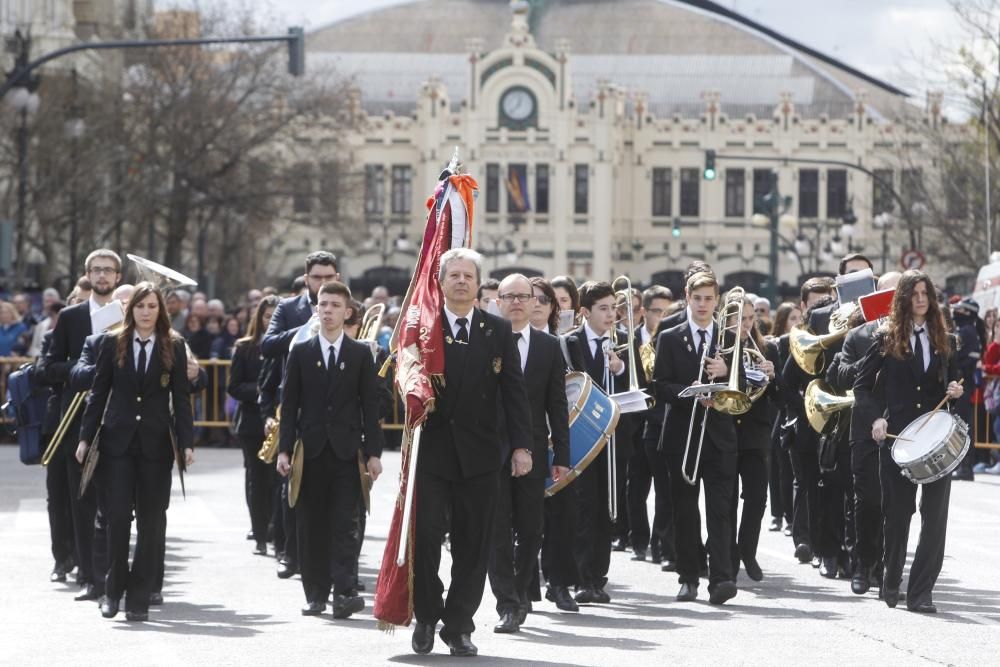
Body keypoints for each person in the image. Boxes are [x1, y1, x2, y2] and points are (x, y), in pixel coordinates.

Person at [410, 248, 530, 658]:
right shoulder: (423, 327)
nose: (461, 281)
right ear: (441, 282)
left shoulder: (497, 329)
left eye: (468, 276)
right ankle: (426, 614)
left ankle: (459, 625)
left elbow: (514, 392)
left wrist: (521, 446)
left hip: (481, 455)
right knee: (425, 538)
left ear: (479, 284)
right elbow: (403, 379)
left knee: (473, 544)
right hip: (433, 452)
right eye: (453, 275)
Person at [75, 282, 194, 621]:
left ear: (160, 311)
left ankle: (139, 598)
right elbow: (98, 393)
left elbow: (182, 399)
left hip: (156, 446)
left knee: (151, 522)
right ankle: (113, 592)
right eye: (140, 306)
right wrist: (85, 437)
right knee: (115, 519)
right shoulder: (113, 343)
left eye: (152, 306)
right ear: (131, 310)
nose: (145, 312)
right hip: (117, 444)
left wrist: (186, 443)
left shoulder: (174, 345)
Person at [855, 270, 963, 613]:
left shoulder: (946, 339)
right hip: (898, 439)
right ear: (903, 298)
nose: (920, 299)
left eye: (925, 293)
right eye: (914, 293)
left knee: (935, 518)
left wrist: (956, 392)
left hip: (935, 440)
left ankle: (921, 592)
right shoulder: (885, 337)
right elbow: (861, 386)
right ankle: (890, 579)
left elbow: (957, 383)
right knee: (898, 515)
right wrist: (876, 417)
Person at [275, 281, 383, 618]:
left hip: (347, 452)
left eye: (335, 305)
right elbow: (289, 404)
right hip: (311, 452)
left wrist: (374, 453)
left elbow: (370, 407)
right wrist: (283, 450)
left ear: (348, 311)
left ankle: (344, 591)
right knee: (311, 525)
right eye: (323, 304)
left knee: (344, 525)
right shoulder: (301, 352)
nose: (328, 310)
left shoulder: (360, 353)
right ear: (315, 309)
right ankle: (316, 594)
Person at [488, 274, 570, 633]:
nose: (520, 302)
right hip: (490, 450)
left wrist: (562, 457)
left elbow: (557, 404)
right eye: (511, 296)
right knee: (496, 529)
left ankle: (521, 591)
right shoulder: (485, 339)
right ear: (498, 301)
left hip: (534, 450)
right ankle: (507, 602)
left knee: (531, 527)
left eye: (527, 296)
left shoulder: (548, 347)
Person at [39, 249, 122, 600]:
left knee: (117, 503)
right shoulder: (71, 317)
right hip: (77, 421)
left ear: (118, 277)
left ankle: (115, 572)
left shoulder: (128, 313)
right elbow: (47, 368)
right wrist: (83, 368)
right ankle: (89, 575)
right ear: (87, 274)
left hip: (118, 421)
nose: (102, 276)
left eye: (109, 270)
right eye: (96, 270)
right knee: (81, 500)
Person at [653, 270, 739, 605]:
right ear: (687, 297)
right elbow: (660, 385)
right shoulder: (670, 336)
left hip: (719, 436)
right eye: (697, 298)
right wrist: (693, 393)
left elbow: (744, 383)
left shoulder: (729, 337)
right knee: (686, 511)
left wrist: (724, 373)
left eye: (709, 299)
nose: (703, 305)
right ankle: (688, 577)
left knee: (720, 510)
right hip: (682, 435)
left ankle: (722, 578)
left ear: (717, 300)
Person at [261, 250, 340, 579]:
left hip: (335, 408)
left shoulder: (344, 305)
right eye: (317, 278)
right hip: (297, 405)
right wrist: (306, 330)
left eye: (329, 277)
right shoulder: (289, 308)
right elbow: (267, 344)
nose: (323, 283)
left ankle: (334, 560)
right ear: (307, 279)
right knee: (291, 484)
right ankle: (289, 553)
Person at [827, 270, 901, 595]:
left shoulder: (915, 335)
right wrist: (870, 361)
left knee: (894, 503)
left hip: (902, 427)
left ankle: (887, 570)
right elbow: (841, 376)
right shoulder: (858, 336)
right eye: (888, 294)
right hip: (865, 428)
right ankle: (863, 562)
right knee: (868, 499)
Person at [561, 281, 629, 605]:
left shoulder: (623, 344)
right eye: (603, 308)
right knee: (580, 506)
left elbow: (639, 388)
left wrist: (620, 368)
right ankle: (579, 578)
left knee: (606, 507)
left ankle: (598, 578)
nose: (611, 314)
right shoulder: (567, 343)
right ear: (585, 312)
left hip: (611, 439)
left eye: (614, 307)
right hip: (579, 437)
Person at [530, 277, 581, 612]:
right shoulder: (505, 342)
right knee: (526, 520)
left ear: (553, 309)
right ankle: (524, 588)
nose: (536, 304)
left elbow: (573, 394)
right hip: (525, 442)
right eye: (530, 298)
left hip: (557, 439)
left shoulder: (563, 345)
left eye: (544, 300)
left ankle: (559, 584)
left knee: (561, 518)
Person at [730, 296, 779, 581]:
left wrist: (773, 377)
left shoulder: (766, 348)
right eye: (739, 320)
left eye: (750, 319)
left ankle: (747, 550)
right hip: (725, 433)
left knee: (757, 496)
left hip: (755, 434)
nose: (745, 325)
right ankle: (726, 553)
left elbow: (779, 397)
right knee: (726, 501)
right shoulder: (718, 347)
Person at [627, 285, 676, 567]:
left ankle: (660, 542)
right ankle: (638, 539)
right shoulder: (630, 340)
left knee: (664, 488)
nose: (662, 316)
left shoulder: (669, 339)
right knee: (636, 486)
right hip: (635, 423)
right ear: (644, 312)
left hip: (661, 422)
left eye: (666, 311)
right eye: (657, 311)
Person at [228, 295, 279, 555]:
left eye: (274, 316)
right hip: (251, 423)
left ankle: (274, 528)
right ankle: (259, 532)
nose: (270, 320)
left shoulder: (286, 347)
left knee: (276, 479)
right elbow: (233, 385)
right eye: (267, 316)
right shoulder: (245, 347)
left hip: (278, 422)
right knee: (256, 478)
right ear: (259, 318)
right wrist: (260, 391)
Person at [766, 301, 802, 535]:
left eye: (800, 318)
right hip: (781, 409)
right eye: (792, 319)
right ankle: (778, 513)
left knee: (790, 468)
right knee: (778, 461)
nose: (797, 323)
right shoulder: (778, 344)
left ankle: (790, 516)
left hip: (796, 406)